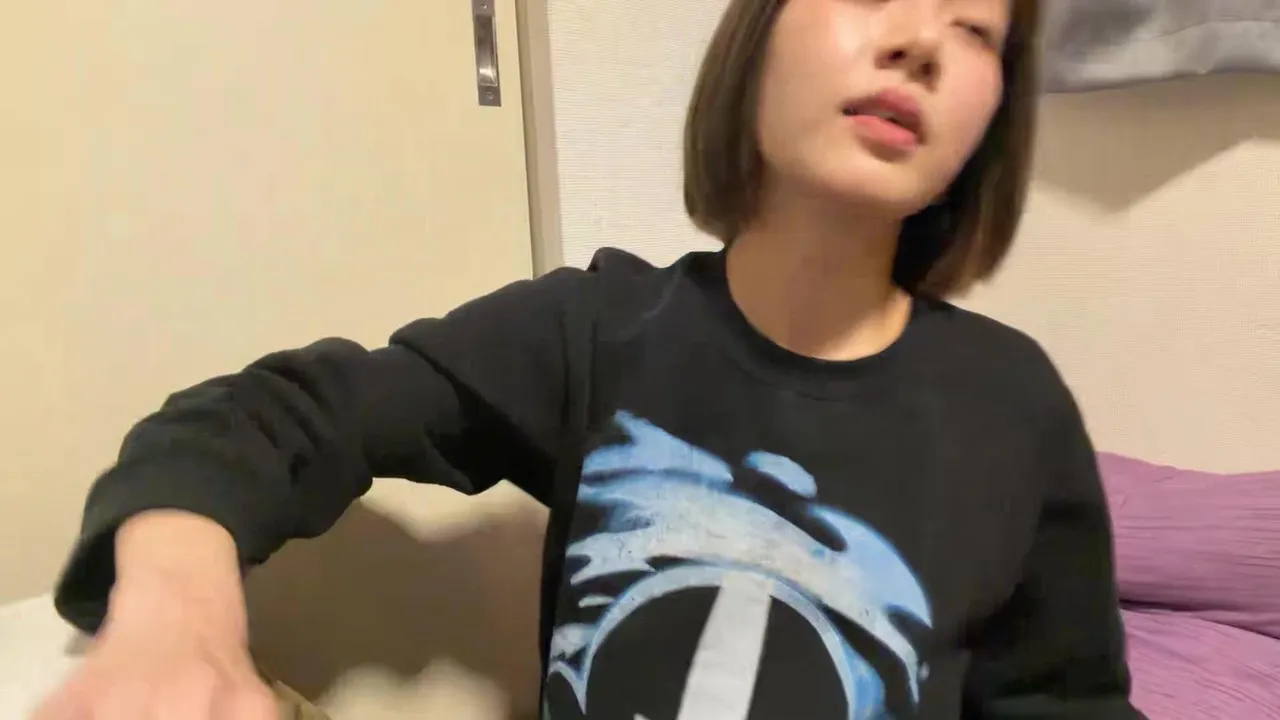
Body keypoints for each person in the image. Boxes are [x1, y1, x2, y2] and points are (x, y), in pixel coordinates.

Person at [34, 0, 1144, 718]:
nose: (920, 42)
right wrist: (174, 609)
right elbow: (268, 416)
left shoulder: (1013, 407)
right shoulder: (598, 332)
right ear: (756, 36)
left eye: (975, 29)